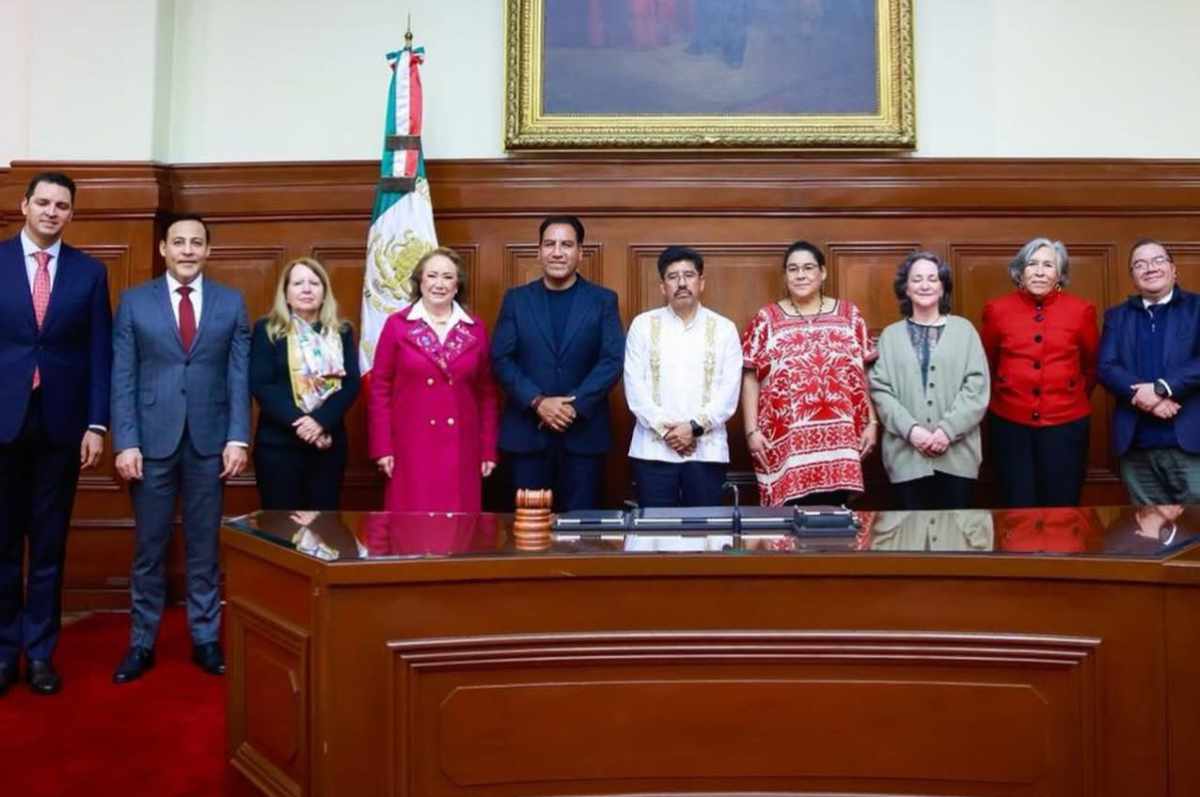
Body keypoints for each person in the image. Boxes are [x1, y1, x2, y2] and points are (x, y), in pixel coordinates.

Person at [110, 214, 250, 683]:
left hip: (211, 442)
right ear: (163, 250)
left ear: (208, 251)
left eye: (197, 243)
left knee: (204, 547)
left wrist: (237, 436)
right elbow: (123, 375)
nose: (188, 250)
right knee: (150, 548)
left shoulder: (231, 304)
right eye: (179, 243)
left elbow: (238, 375)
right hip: (149, 443)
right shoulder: (134, 302)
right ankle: (141, 642)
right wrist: (125, 441)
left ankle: (206, 638)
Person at [0, 172, 112, 696]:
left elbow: (99, 353)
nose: (51, 212)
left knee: (48, 546)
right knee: (1, 546)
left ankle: (41, 652)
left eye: (61, 205)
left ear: (71, 214)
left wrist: (96, 423)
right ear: (23, 206)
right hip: (3, 424)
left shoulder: (89, 273)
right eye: (42, 202)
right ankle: (4, 652)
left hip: (61, 427)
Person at [491, 216, 625, 511]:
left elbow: (612, 360)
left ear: (580, 252)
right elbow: (501, 358)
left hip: (584, 438)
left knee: (581, 538)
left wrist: (571, 407)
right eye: (550, 244)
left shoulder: (603, 300)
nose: (557, 252)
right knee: (528, 532)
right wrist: (538, 401)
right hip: (527, 436)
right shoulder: (516, 300)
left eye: (566, 244)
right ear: (539, 251)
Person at [741, 240, 877, 506]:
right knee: (790, 530)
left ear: (823, 273)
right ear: (785, 275)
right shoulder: (766, 319)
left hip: (842, 442)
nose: (800, 275)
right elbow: (749, 377)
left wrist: (872, 422)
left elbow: (863, 375)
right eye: (793, 269)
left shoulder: (850, 315)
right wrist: (751, 431)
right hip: (785, 442)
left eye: (808, 268)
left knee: (835, 527)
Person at [368, 248, 499, 512]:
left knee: (458, 529)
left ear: (457, 284)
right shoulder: (397, 325)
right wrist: (382, 447)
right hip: (411, 446)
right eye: (432, 276)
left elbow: (487, 394)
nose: (439, 284)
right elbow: (379, 389)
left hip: (462, 446)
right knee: (412, 526)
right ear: (420, 281)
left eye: (448, 277)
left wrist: (488, 449)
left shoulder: (475, 328)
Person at [981, 238, 1099, 507]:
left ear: (1060, 274)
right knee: (1016, 502)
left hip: (1066, 424)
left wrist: (1068, 395)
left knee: (1062, 504)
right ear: (1020, 271)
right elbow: (988, 363)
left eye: (1048, 265)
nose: (1039, 271)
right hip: (1010, 423)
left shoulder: (1081, 311)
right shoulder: (997, 310)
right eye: (1032, 264)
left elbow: (1091, 366)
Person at [869, 251, 990, 509]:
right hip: (906, 458)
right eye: (917, 279)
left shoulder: (965, 331)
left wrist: (946, 431)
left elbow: (976, 388)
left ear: (942, 286)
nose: (925, 285)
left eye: (933, 279)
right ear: (906, 288)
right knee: (910, 539)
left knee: (957, 540)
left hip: (958, 458)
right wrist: (912, 431)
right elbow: (881, 391)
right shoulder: (890, 336)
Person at [623, 246, 741, 507]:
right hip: (653, 452)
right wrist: (668, 431)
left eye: (688, 275)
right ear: (663, 286)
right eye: (673, 276)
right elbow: (635, 389)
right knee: (654, 538)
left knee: (706, 535)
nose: (682, 282)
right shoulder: (643, 326)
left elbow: (728, 393)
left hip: (706, 452)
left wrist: (693, 428)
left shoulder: (724, 329)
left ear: (701, 282)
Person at [250, 257, 359, 510]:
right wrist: (304, 425)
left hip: (327, 444)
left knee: (324, 531)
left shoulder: (340, 332)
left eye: (314, 283)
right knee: (281, 530)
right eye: (298, 283)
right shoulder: (267, 330)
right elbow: (262, 385)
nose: (307, 289)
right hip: (279, 446)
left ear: (324, 292)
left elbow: (351, 383)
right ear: (286, 294)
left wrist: (320, 421)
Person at [1098, 239, 1200, 504]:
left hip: (1190, 445)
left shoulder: (1197, 308)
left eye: (1158, 260)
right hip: (1137, 448)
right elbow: (1106, 367)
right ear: (1133, 277)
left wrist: (1161, 388)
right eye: (1139, 264)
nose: (1150, 268)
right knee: (1148, 536)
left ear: (1173, 269)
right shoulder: (1116, 316)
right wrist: (1149, 401)